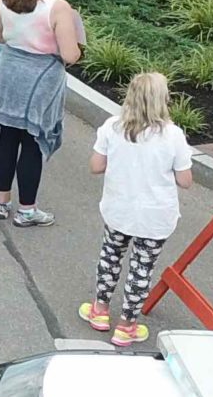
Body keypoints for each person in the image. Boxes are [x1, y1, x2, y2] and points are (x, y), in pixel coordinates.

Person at [78, 73, 195, 348]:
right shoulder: (173, 136)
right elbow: (185, 181)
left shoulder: (112, 127)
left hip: (119, 209)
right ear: (162, 101)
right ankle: (127, 325)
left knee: (111, 257)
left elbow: (96, 166)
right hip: (155, 217)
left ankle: (100, 311)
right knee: (141, 268)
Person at [0, 0, 85, 227]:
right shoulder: (56, 6)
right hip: (41, 78)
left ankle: (2, 202)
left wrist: (18, 42)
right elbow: (70, 54)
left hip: (9, 71)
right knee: (32, 142)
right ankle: (27, 210)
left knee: (6, 138)